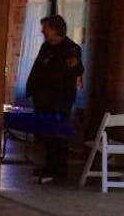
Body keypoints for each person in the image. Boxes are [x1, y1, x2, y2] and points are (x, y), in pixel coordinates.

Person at [26, 14, 84, 184]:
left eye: (46, 28)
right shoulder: (46, 47)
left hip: (60, 99)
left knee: (57, 133)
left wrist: (75, 65)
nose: (42, 31)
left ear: (54, 29)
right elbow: (38, 67)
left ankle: (59, 168)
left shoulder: (71, 48)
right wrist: (32, 89)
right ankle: (48, 165)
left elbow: (78, 68)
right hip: (42, 97)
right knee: (45, 132)